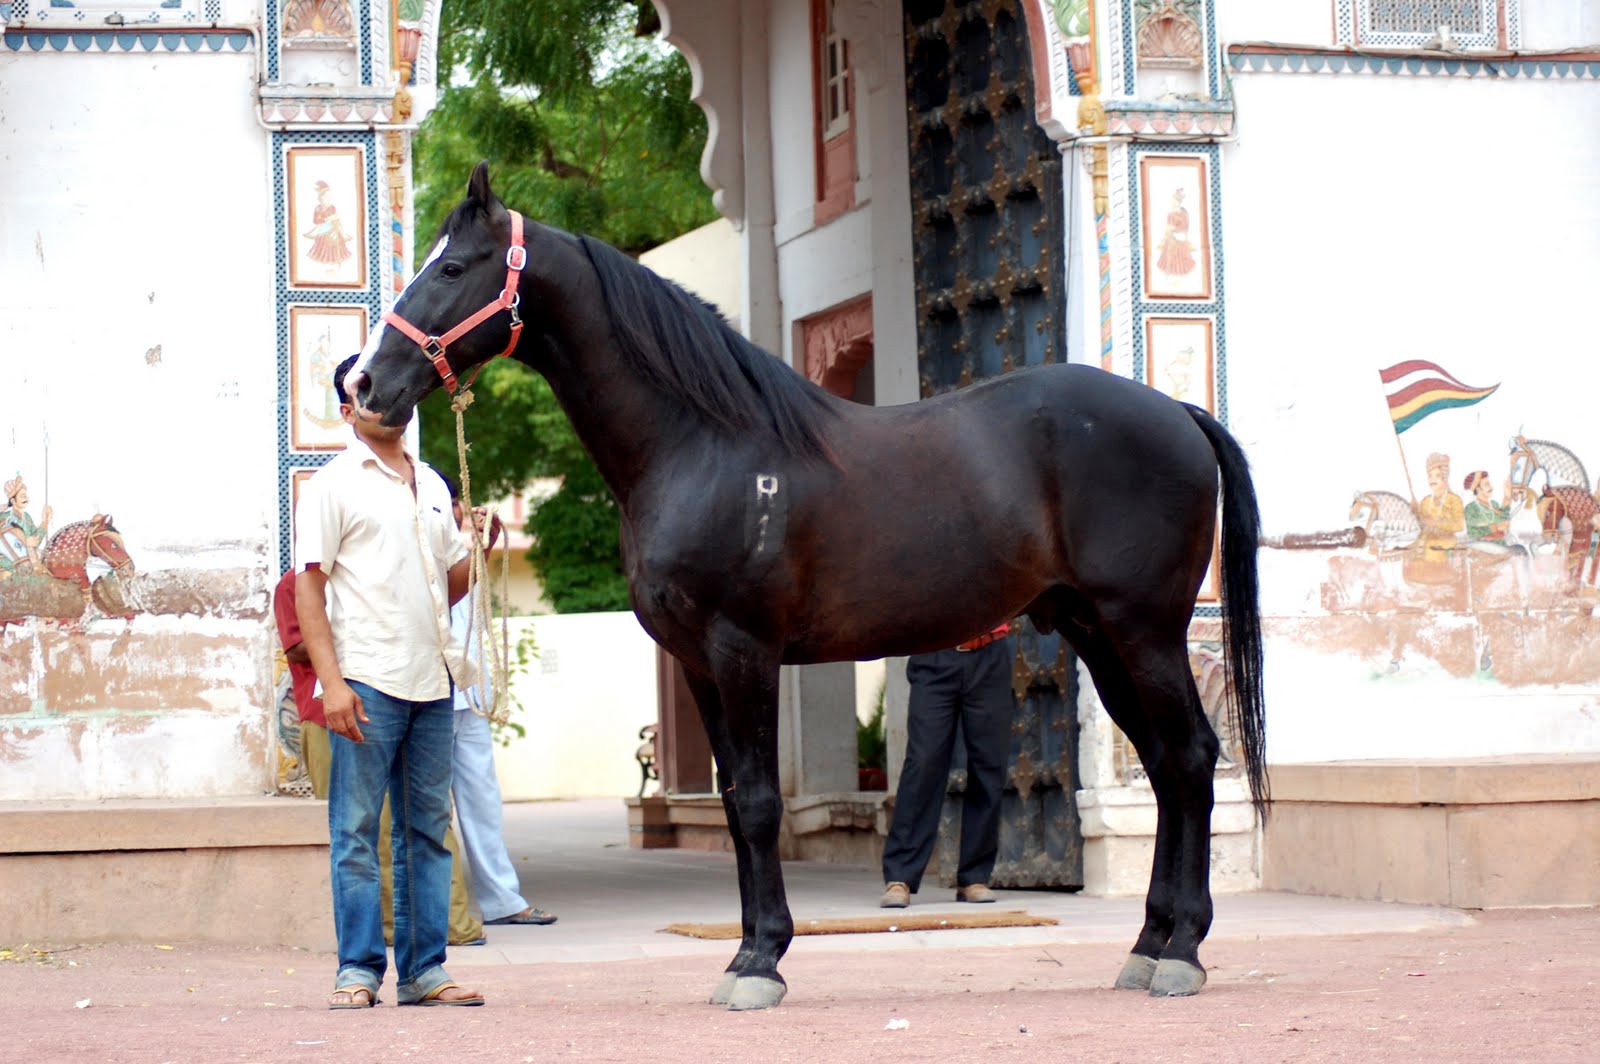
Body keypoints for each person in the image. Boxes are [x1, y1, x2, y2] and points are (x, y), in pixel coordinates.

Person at [295, 354, 484, 1009]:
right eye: (366, 391)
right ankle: (357, 971)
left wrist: (476, 550)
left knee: (427, 832)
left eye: (391, 385)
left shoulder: (431, 482)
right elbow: (308, 592)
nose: (385, 398)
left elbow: (451, 582)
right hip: (366, 681)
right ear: (347, 411)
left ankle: (426, 970)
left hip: (433, 683)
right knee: (354, 833)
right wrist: (332, 684)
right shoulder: (331, 485)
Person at [442, 477, 558, 927]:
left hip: (467, 697)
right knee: (430, 808)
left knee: (483, 801)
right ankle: (441, 909)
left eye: (456, 502)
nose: (455, 511)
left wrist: (484, 543)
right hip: (428, 695)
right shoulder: (417, 543)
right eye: (448, 503)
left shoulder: (458, 550)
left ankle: (502, 899)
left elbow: (468, 600)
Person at [880, 622, 1016, 908]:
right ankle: (899, 877)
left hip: (990, 654)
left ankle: (974, 878)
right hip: (933, 654)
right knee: (923, 763)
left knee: (989, 765)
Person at [1416, 452, 1465, 563]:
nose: (1432, 479)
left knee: (1432, 551)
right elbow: (1421, 524)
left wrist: (1436, 523)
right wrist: (1414, 511)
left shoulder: (1454, 500)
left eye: (1437, 476)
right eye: (1430, 476)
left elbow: (1459, 525)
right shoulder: (1425, 501)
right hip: (1427, 540)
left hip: (1447, 542)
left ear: (1445, 478)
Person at [1, 475, 51, 575]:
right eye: (23, 496)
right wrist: (26, 541)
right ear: (13, 501)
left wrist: (45, 522)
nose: (26, 499)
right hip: (11, 566)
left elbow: (35, 540)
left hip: (30, 563)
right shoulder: (5, 517)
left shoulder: (26, 517)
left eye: (26, 496)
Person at [1462, 470, 1514, 542]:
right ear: (1477, 489)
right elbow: (1473, 530)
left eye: (1489, 484)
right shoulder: (1471, 508)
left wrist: (1507, 497)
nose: (1491, 487)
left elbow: (1504, 523)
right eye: (1487, 484)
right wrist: (1495, 528)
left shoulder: (1494, 504)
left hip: (1500, 545)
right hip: (1480, 547)